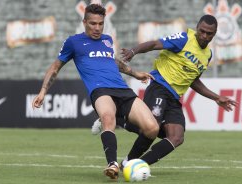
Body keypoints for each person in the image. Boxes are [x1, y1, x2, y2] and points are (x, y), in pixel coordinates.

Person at [32, 4, 159, 180]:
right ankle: (112, 164)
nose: (97, 28)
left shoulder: (107, 40)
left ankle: (128, 162)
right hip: (100, 90)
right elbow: (55, 67)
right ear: (84, 22)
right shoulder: (73, 42)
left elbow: (112, 62)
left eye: (100, 23)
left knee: (152, 129)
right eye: (93, 23)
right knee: (108, 118)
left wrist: (136, 74)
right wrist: (43, 91)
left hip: (122, 89)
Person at [92, 14, 237, 167]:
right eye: (202, 31)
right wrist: (134, 51)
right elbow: (155, 44)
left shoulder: (207, 55)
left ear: (214, 34)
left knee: (176, 137)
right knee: (151, 126)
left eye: (209, 33)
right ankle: (114, 118)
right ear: (197, 28)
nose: (204, 36)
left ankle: (135, 165)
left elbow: (193, 81)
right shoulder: (184, 39)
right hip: (159, 87)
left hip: (174, 98)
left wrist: (216, 97)